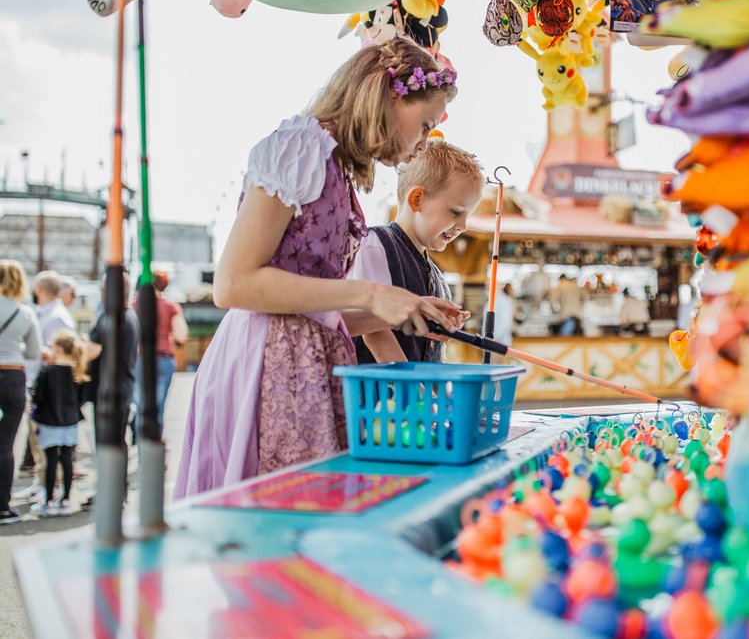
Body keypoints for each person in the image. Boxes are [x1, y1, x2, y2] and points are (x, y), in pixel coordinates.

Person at [174, 38, 466, 499]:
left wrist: (404, 309)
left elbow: (312, 310)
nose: (422, 143)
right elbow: (233, 284)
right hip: (262, 368)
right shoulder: (300, 149)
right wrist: (369, 294)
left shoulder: (332, 165)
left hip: (300, 368)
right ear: (387, 97)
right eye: (425, 125)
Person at [353, 137, 484, 363]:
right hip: (381, 386)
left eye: (467, 216)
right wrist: (415, 386)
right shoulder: (376, 244)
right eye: (456, 212)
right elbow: (375, 335)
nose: (463, 226)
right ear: (417, 199)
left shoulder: (437, 276)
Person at [80, 272, 140, 510]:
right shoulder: (130, 316)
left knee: (107, 444)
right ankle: (116, 491)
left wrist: (79, 345)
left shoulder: (110, 318)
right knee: (117, 444)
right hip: (123, 387)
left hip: (109, 391)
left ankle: (110, 493)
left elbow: (92, 351)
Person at [17, 270, 77, 501]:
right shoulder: (45, 313)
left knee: (47, 442)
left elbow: (62, 355)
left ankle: (52, 487)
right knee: (37, 441)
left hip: (46, 389)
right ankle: (41, 483)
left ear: (39, 289)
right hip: (35, 382)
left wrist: (43, 353)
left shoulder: (57, 317)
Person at [30, 330, 87, 516]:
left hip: (49, 421)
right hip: (70, 422)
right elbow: (81, 398)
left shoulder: (47, 371)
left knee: (51, 461)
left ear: (59, 349)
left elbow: (38, 397)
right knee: (67, 460)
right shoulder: (77, 373)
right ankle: (66, 499)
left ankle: (48, 501)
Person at [0, 260, 41, 524]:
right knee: (5, 443)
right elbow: (34, 352)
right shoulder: (24, 313)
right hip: (13, 376)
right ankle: (3, 507)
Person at [131, 270, 188, 437]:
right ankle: (154, 440)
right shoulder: (170, 306)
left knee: (141, 404)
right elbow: (181, 336)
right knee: (158, 405)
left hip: (140, 359)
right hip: (163, 359)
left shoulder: (133, 305)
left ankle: (141, 439)